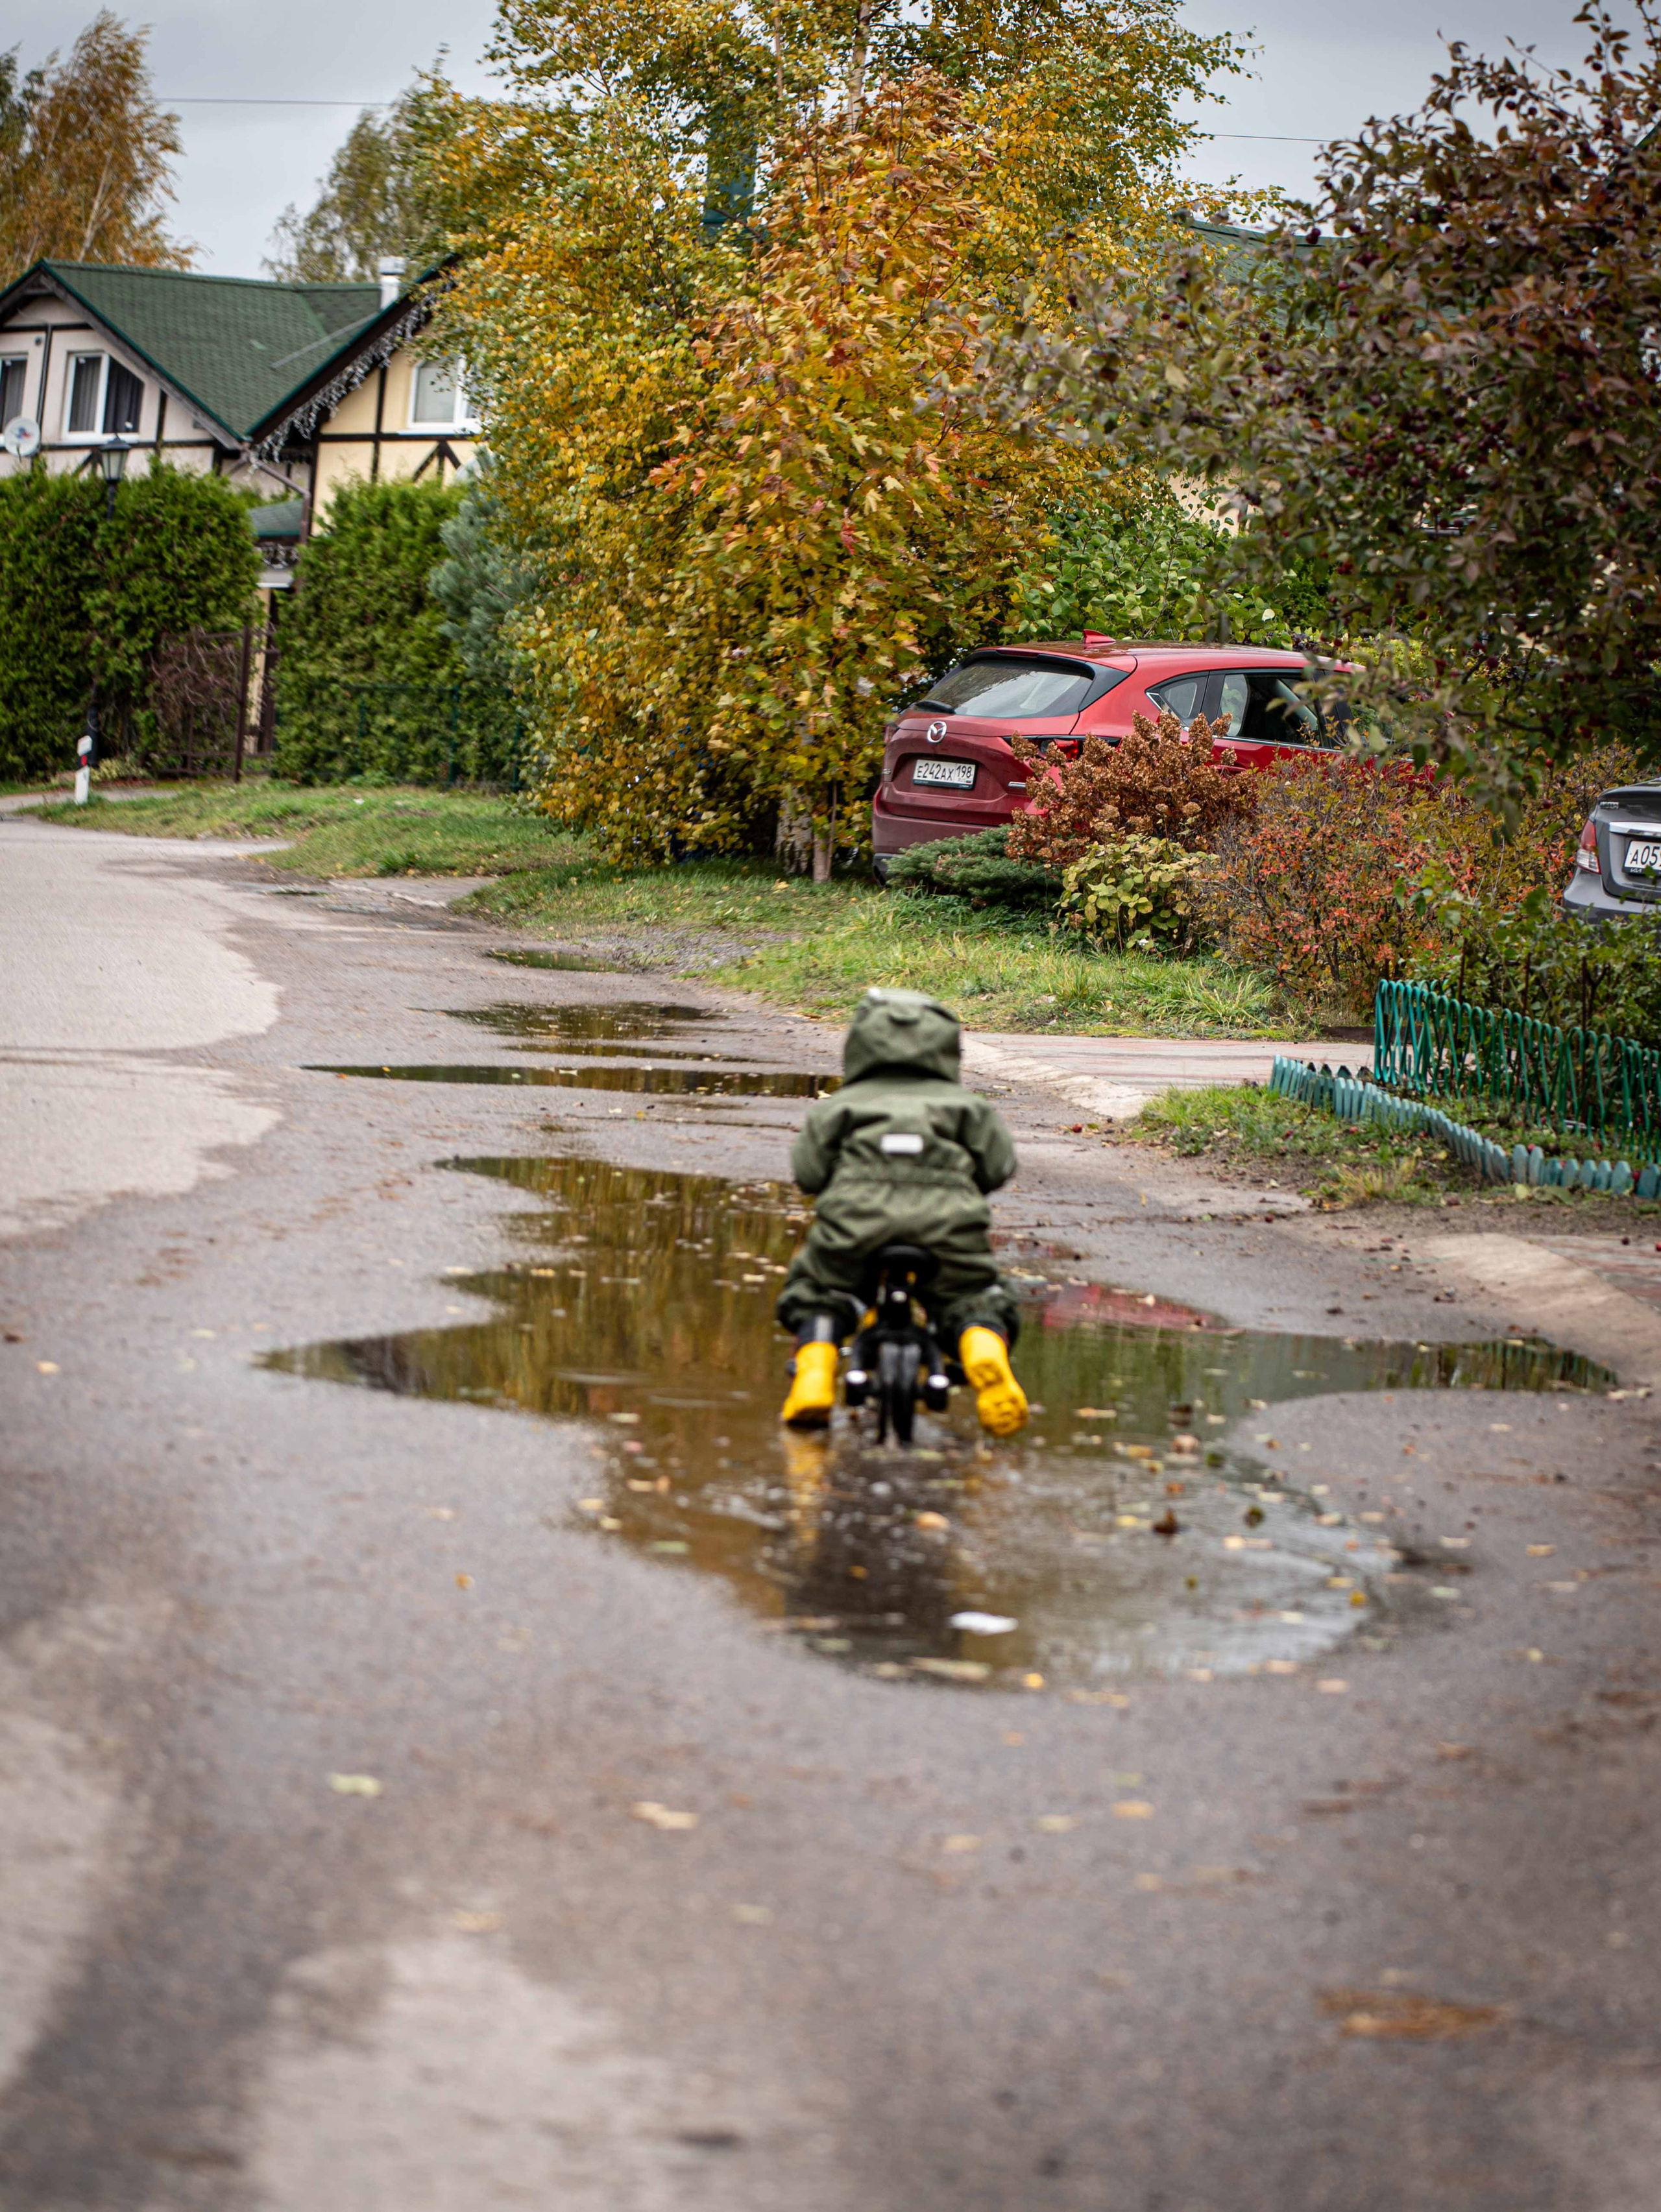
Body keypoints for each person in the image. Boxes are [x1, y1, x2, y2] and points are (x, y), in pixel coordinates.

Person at [776, 988, 1027, 1437]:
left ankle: (815, 1370)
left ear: (860, 1046)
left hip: (855, 1222)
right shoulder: (967, 1108)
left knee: (820, 1291)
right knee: (970, 1296)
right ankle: (982, 1349)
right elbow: (998, 1168)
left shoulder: (842, 1106)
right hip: (948, 1223)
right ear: (946, 1047)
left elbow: (809, 1174)